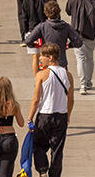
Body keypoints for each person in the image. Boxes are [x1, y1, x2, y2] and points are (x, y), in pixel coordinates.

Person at [29, 42, 74, 177]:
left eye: (43, 56)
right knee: (57, 149)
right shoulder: (68, 75)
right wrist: (68, 115)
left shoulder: (42, 75)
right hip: (61, 115)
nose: (41, 59)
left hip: (44, 115)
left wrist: (30, 117)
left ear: (50, 57)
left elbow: (36, 99)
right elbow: (70, 100)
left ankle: (42, 170)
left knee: (38, 145)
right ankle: (54, 174)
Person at [25, 0, 82, 74]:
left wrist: (35, 45)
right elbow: (79, 42)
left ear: (45, 13)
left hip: (46, 63)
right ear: (58, 13)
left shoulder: (42, 27)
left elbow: (28, 41)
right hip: (61, 63)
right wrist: (69, 45)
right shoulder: (66, 26)